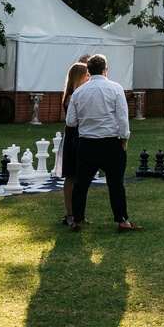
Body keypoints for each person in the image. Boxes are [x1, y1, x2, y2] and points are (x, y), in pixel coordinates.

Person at [66, 54, 142, 233]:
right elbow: (122, 118)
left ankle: (77, 220)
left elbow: (70, 122)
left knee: (81, 183)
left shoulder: (79, 92)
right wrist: (124, 138)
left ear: (88, 71)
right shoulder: (115, 88)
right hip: (110, 143)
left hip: (86, 143)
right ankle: (122, 221)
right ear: (105, 69)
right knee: (115, 183)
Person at [60, 61, 90, 228]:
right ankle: (69, 213)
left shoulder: (78, 94)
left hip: (80, 135)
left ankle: (79, 213)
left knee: (80, 176)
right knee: (71, 175)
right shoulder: (72, 96)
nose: (88, 78)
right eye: (86, 76)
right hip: (74, 136)